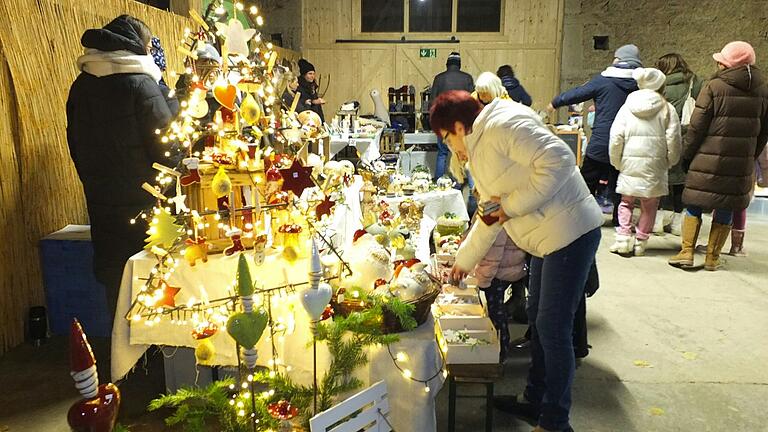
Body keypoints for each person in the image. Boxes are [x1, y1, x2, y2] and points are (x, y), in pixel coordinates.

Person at [432, 91, 603, 432]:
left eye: (447, 139)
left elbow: (559, 159)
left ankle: (555, 421)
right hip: (545, 239)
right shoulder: (482, 146)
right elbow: (491, 213)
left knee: (553, 331)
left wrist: (511, 207)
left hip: (568, 234)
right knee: (541, 324)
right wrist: (463, 262)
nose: (451, 149)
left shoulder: (501, 125)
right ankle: (535, 400)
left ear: (457, 126)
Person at [66, 15, 177, 319]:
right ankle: (151, 351)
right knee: (150, 273)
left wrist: (94, 180)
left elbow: (74, 144)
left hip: (101, 198)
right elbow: (168, 146)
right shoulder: (141, 83)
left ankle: (120, 351)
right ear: (140, 45)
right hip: (145, 200)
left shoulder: (81, 85)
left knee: (115, 274)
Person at [669, 41, 768, 271]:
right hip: (740, 163)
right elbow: (764, 131)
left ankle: (686, 252)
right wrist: (750, 156)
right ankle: (712, 258)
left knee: (694, 202)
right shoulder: (764, 90)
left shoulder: (714, 86)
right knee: (726, 205)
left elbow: (697, 126)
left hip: (707, 157)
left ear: (727, 64)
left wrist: (687, 154)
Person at [549, 44, 642, 226]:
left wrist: (556, 102)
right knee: (620, 183)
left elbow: (578, 94)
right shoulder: (640, 83)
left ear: (618, 59)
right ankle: (619, 220)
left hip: (602, 141)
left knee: (587, 182)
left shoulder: (604, 80)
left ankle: (580, 218)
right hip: (627, 142)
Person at [608, 68, 682, 256]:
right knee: (650, 204)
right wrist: (671, 160)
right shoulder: (667, 108)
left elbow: (616, 136)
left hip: (629, 161)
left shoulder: (627, 107)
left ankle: (623, 239)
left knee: (626, 201)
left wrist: (616, 160)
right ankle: (641, 242)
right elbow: (674, 138)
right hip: (655, 164)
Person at [654, 53, 704, 235]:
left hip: (662, 135)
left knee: (661, 178)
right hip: (687, 136)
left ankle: (657, 221)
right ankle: (677, 223)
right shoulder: (695, 82)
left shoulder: (659, 84)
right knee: (681, 180)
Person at [429, 52, 474, 180]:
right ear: (459, 65)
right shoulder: (467, 78)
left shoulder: (439, 78)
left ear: (447, 64)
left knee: (442, 153)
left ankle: (438, 182)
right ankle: (459, 183)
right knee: (462, 154)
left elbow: (432, 102)